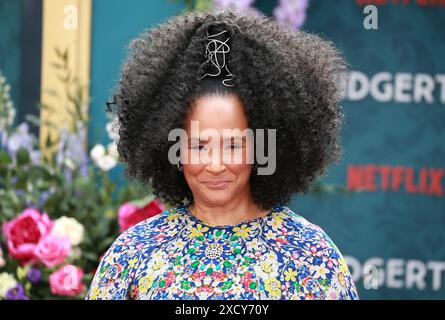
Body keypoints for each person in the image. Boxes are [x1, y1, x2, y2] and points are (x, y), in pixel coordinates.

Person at [86, 9, 358, 300]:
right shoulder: (134, 252)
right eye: (199, 146)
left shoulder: (309, 255)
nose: (215, 165)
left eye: (233, 145)